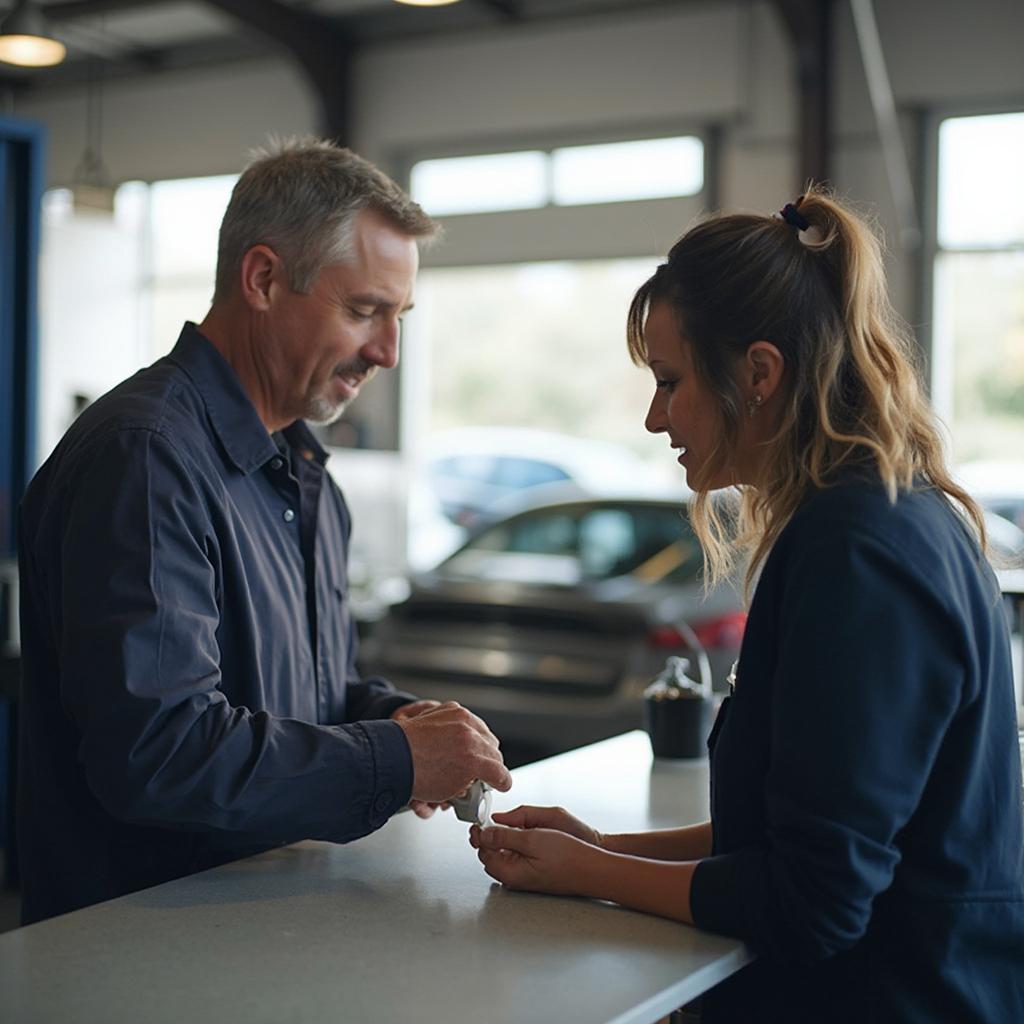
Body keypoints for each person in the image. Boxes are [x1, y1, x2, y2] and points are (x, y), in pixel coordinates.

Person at [471, 188, 1024, 1022]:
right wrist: (598, 846)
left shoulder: (859, 552)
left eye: (670, 381)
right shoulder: (865, 518)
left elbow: (815, 901)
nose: (657, 417)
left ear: (760, 374)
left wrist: (585, 875)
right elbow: (798, 832)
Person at [17, 138, 511, 926]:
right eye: (363, 311)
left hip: (263, 931)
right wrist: (393, 761)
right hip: (135, 958)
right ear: (262, 278)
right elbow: (160, 754)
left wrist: (394, 721)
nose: (386, 351)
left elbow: (305, 697)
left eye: (398, 317)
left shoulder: (304, 477)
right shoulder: (145, 461)